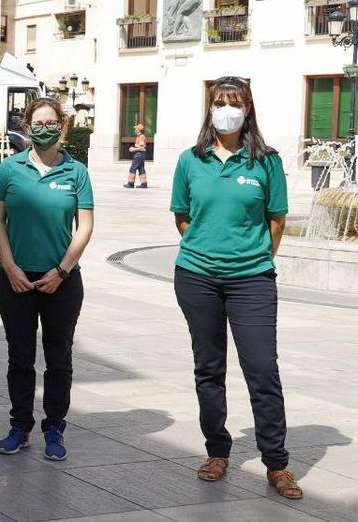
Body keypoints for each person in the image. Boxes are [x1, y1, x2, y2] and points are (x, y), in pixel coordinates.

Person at [170, 76, 302, 500]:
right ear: (209, 109)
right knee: (208, 367)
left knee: (263, 368)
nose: (227, 109)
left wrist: (255, 257)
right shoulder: (191, 160)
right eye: (220, 102)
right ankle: (217, 451)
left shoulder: (266, 161)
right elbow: (182, 216)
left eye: (235, 102)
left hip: (253, 281)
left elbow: (276, 220)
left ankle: (277, 464)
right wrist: (207, 250)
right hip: (197, 278)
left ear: (248, 108)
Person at [0, 98, 94, 461]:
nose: (45, 128)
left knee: (58, 357)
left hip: (61, 282)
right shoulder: (9, 168)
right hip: (15, 279)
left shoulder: (76, 172)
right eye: (38, 122)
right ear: (28, 125)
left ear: (62, 125)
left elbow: (85, 227)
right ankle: (20, 425)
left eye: (52, 122)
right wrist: (11, 267)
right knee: (19, 356)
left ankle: (54, 427)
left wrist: (62, 270)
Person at [124, 123, 148, 189]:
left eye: (136, 129)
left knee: (133, 168)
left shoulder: (141, 137)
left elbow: (142, 147)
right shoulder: (140, 136)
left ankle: (130, 183)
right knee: (141, 169)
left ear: (138, 130)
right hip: (140, 155)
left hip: (138, 155)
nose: (135, 130)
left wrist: (134, 149)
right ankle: (144, 183)